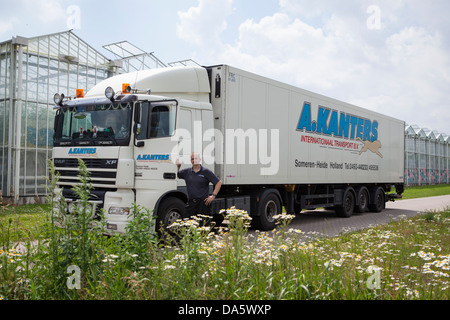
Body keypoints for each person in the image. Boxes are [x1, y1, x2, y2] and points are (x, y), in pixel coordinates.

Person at [177, 152, 223, 225]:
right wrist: (178, 166)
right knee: (186, 224)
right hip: (191, 203)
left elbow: (218, 182)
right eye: (192, 159)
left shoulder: (206, 171)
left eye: (196, 158)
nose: (194, 160)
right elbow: (177, 174)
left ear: (199, 159)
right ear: (190, 160)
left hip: (203, 203)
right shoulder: (186, 172)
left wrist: (213, 196)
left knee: (203, 226)